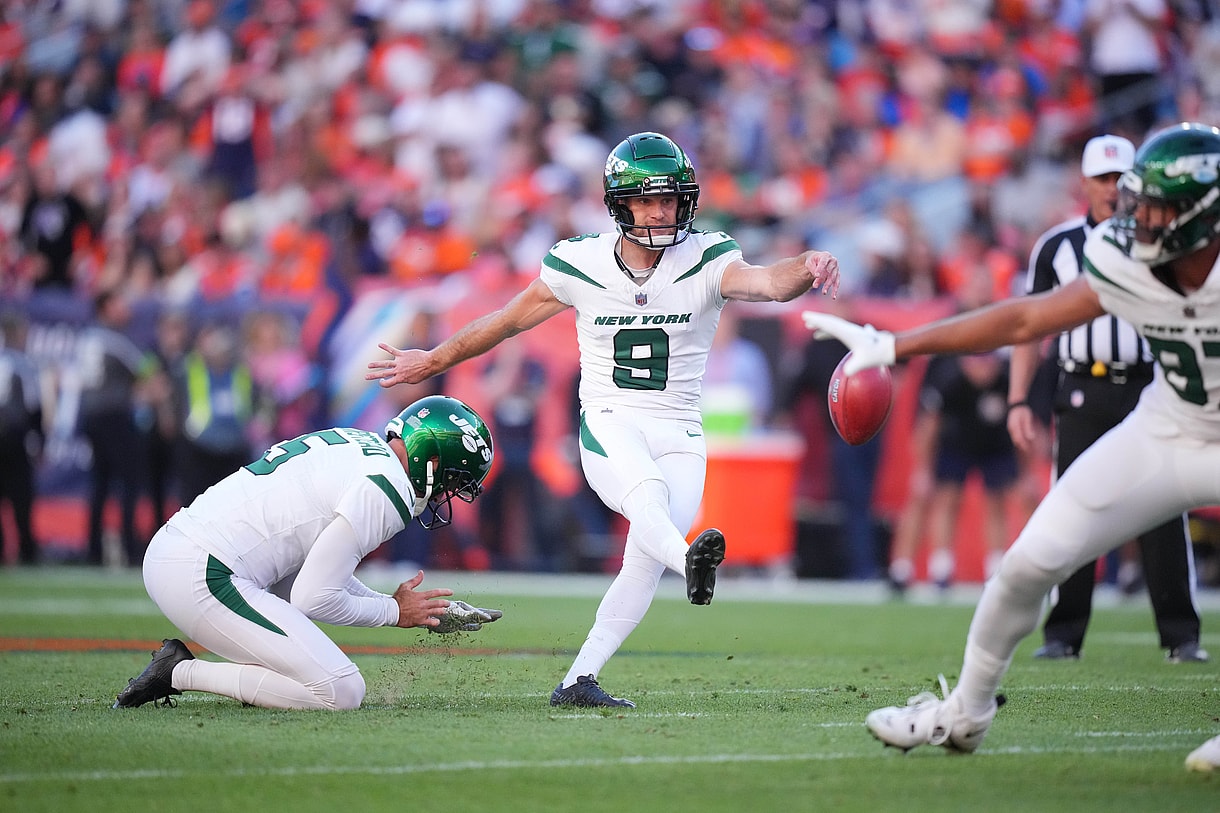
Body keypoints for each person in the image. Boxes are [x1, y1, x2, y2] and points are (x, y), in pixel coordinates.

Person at [367, 131, 840, 708]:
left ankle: (578, 679)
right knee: (649, 501)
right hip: (611, 422)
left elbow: (768, 282)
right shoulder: (581, 262)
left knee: (642, 559)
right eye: (649, 199)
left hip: (681, 430)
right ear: (621, 203)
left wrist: (808, 264)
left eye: (671, 199)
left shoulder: (708, 257)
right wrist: (436, 359)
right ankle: (688, 559)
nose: (663, 211)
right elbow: (507, 321)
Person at [801, 122, 1220, 772]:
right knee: (1028, 562)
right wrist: (893, 345)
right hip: (1169, 423)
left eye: (1156, 206)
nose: (1136, 217)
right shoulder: (1124, 255)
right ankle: (963, 714)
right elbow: (1026, 318)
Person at [112, 395, 502, 711]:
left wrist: (411, 609)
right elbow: (313, 596)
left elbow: (317, 568)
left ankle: (253, 675)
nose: (445, 494)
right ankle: (178, 672)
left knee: (311, 666)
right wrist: (396, 613)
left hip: (189, 549)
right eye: (453, 481)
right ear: (430, 462)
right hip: (204, 571)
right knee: (341, 691)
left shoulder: (358, 443)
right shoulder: (387, 487)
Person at [1009, 134, 1206, 663]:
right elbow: (1029, 328)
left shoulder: (1162, 241)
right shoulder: (1057, 246)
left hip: (1148, 386)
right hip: (1081, 388)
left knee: (1165, 507)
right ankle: (1063, 634)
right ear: (1085, 181)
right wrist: (1019, 400)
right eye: (1102, 178)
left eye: (1121, 179)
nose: (1112, 188)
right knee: (1074, 506)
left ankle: (1181, 635)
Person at [0, 312, 44, 565]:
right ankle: (27, 550)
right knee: (20, 496)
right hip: (14, 436)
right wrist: (39, 438)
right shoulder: (22, 364)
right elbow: (32, 404)